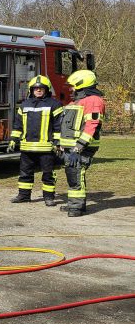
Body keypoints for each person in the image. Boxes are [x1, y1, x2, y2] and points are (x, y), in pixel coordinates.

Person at [8, 76, 63, 206]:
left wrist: (57, 142)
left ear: (46, 89)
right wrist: (13, 139)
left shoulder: (54, 105)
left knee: (48, 174)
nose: (38, 90)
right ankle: (24, 195)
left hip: (46, 148)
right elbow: (18, 125)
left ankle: (49, 197)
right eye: (36, 88)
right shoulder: (24, 105)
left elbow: (59, 126)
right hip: (27, 147)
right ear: (31, 90)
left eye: (41, 88)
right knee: (25, 173)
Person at [58, 70, 105, 217]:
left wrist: (78, 147)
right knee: (74, 175)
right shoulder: (77, 101)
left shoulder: (93, 101)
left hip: (82, 147)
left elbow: (92, 125)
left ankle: (76, 207)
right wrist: (61, 144)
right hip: (72, 147)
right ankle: (77, 204)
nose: (71, 89)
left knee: (76, 174)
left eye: (73, 86)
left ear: (81, 84)